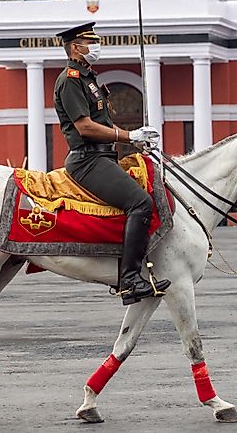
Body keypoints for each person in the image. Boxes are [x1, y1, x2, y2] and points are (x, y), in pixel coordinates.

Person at [53, 22, 170, 305]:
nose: (95, 46)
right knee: (140, 203)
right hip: (87, 160)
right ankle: (129, 280)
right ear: (75, 47)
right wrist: (128, 135)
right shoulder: (70, 80)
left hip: (104, 156)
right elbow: (85, 128)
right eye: (89, 42)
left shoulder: (88, 78)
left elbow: (103, 123)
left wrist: (135, 141)